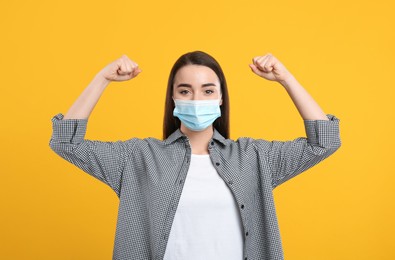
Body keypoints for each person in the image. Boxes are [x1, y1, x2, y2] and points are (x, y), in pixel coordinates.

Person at [49, 51, 341, 260]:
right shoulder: (138, 158)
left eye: (207, 90)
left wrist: (286, 79)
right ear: (173, 98)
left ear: (221, 98)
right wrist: (102, 78)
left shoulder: (253, 158)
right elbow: (66, 143)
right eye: (185, 91)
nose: (197, 99)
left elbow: (324, 142)